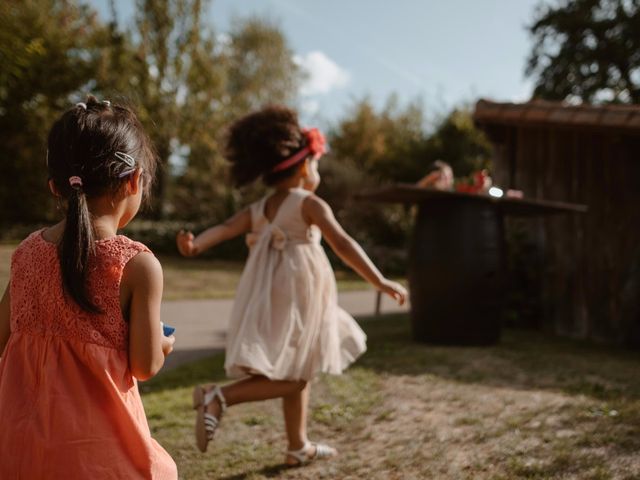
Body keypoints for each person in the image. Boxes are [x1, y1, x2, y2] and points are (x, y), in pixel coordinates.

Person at [176, 106, 407, 466]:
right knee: (298, 375)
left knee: (296, 365)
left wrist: (196, 245)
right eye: (315, 165)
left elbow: (224, 228)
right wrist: (378, 279)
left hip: (267, 295)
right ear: (303, 168)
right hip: (300, 295)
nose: (316, 172)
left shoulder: (261, 206)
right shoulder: (310, 203)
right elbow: (343, 244)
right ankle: (218, 397)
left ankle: (297, 446)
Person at [0, 96, 178, 479]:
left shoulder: (27, 253)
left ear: (55, 186)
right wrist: (163, 345)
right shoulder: (136, 265)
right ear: (134, 181)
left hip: (20, 451)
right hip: (98, 457)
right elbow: (145, 366)